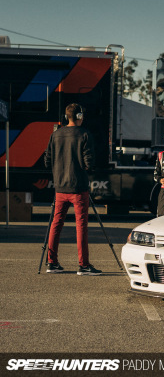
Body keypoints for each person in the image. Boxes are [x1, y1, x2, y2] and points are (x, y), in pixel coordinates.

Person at [43, 103, 101, 275]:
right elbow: (89, 163)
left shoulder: (56, 134)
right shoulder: (84, 134)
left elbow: (47, 161)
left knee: (56, 224)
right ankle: (83, 265)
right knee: (81, 225)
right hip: (79, 187)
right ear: (78, 116)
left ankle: (51, 262)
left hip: (60, 188)